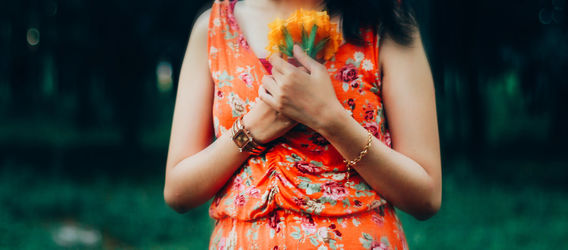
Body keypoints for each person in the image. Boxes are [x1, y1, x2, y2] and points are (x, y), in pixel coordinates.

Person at [164, 0, 442, 248]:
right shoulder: (214, 28)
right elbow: (178, 191)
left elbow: (426, 197)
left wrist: (331, 120)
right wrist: (252, 129)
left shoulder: (383, 22)